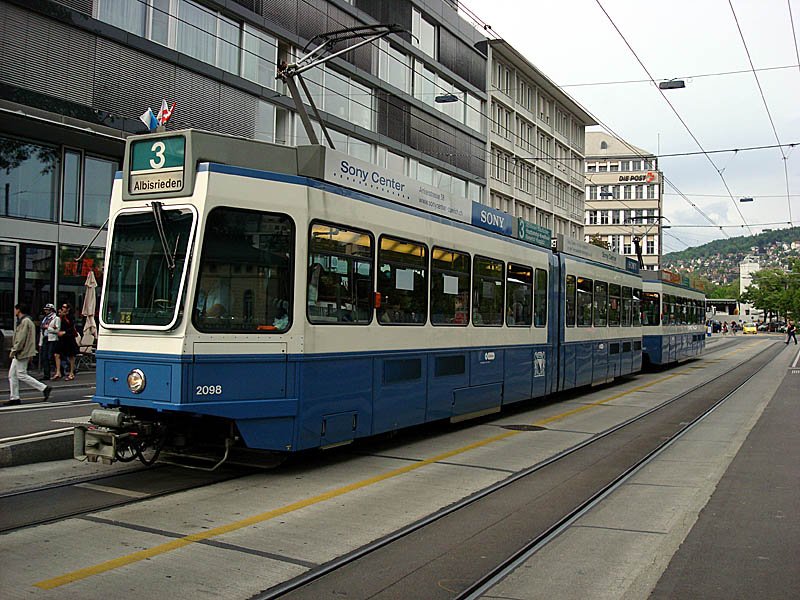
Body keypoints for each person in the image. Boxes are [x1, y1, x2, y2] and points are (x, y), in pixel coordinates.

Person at [6, 303, 52, 406]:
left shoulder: (25, 321)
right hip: (22, 351)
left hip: (22, 352)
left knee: (21, 374)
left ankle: (43, 387)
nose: (14, 311)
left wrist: (14, 350)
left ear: (19, 310)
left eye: (15, 309)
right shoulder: (26, 321)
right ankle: (14, 397)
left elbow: (21, 338)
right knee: (12, 374)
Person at [54, 303, 79, 381]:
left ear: (68, 309)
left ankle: (71, 373)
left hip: (69, 338)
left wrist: (64, 332)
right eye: (62, 307)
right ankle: (58, 372)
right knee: (56, 354)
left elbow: (72, 328)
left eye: (64, 307)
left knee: (71, 356)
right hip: (62, 339)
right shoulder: (59, 317)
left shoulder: (70, 317)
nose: (62, 308)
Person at [39, 303, 59, 380]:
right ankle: (46, 374)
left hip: (52, 339)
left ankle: (59, 369)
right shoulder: (45, 319)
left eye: (47, 310)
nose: (46, 311)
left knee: (50, 356)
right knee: (44, 357)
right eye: (45, 310)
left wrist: (48, 327)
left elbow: (57, 330)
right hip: (45, 338)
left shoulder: (56, 318)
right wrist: (40, 343)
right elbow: (42, 329)